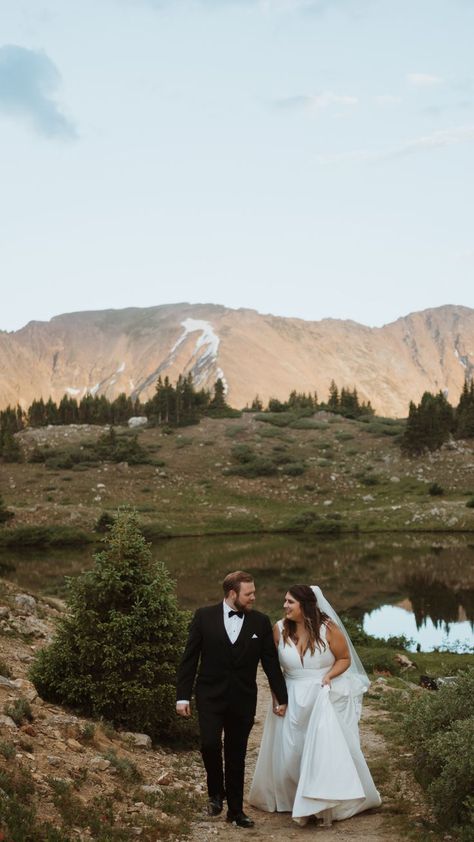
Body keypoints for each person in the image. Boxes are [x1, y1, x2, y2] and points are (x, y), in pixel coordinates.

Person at [249, 584, 381, 826]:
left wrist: (329, 676)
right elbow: (273, 669)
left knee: (321, 752)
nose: (285, 606)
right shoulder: (279, 629)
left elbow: (344, 658)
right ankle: (294, 799)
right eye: (285, 601)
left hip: (321, 695)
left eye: (290, 602)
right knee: (291, 752)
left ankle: (321, 802)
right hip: (291, 695)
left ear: (305, 605)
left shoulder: (328, 628)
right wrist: (278, 698)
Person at [176, 570, 288, 828]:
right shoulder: (204, 617)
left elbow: (270, 663)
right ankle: (216, 793)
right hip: (209, 696)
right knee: (210, 745)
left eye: (254, 592)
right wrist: (182, 696)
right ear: (232, 593)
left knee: (236, 754)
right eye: (249, 594)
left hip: (243, 699)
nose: (253, 597)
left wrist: (281, 697)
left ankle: (235, 811)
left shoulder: (260, 622)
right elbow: (189, 659)